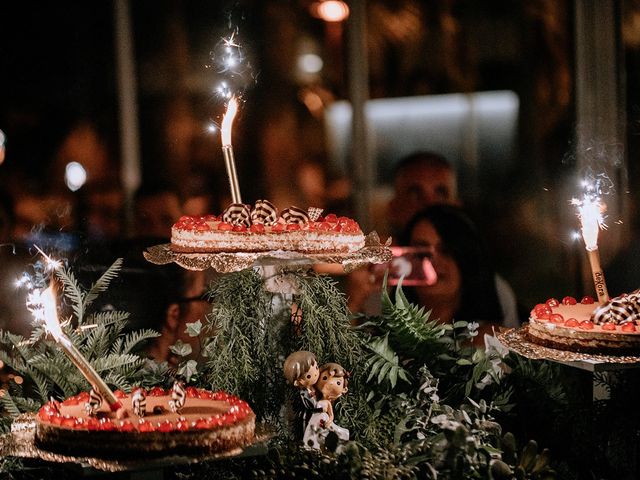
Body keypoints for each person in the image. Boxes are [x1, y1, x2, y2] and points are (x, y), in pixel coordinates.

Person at [400, 205, 506, 329]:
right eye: (422, 252)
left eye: (445, 250)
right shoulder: (383, 335)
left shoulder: (490, 340)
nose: (433, 261)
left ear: (467, 259)